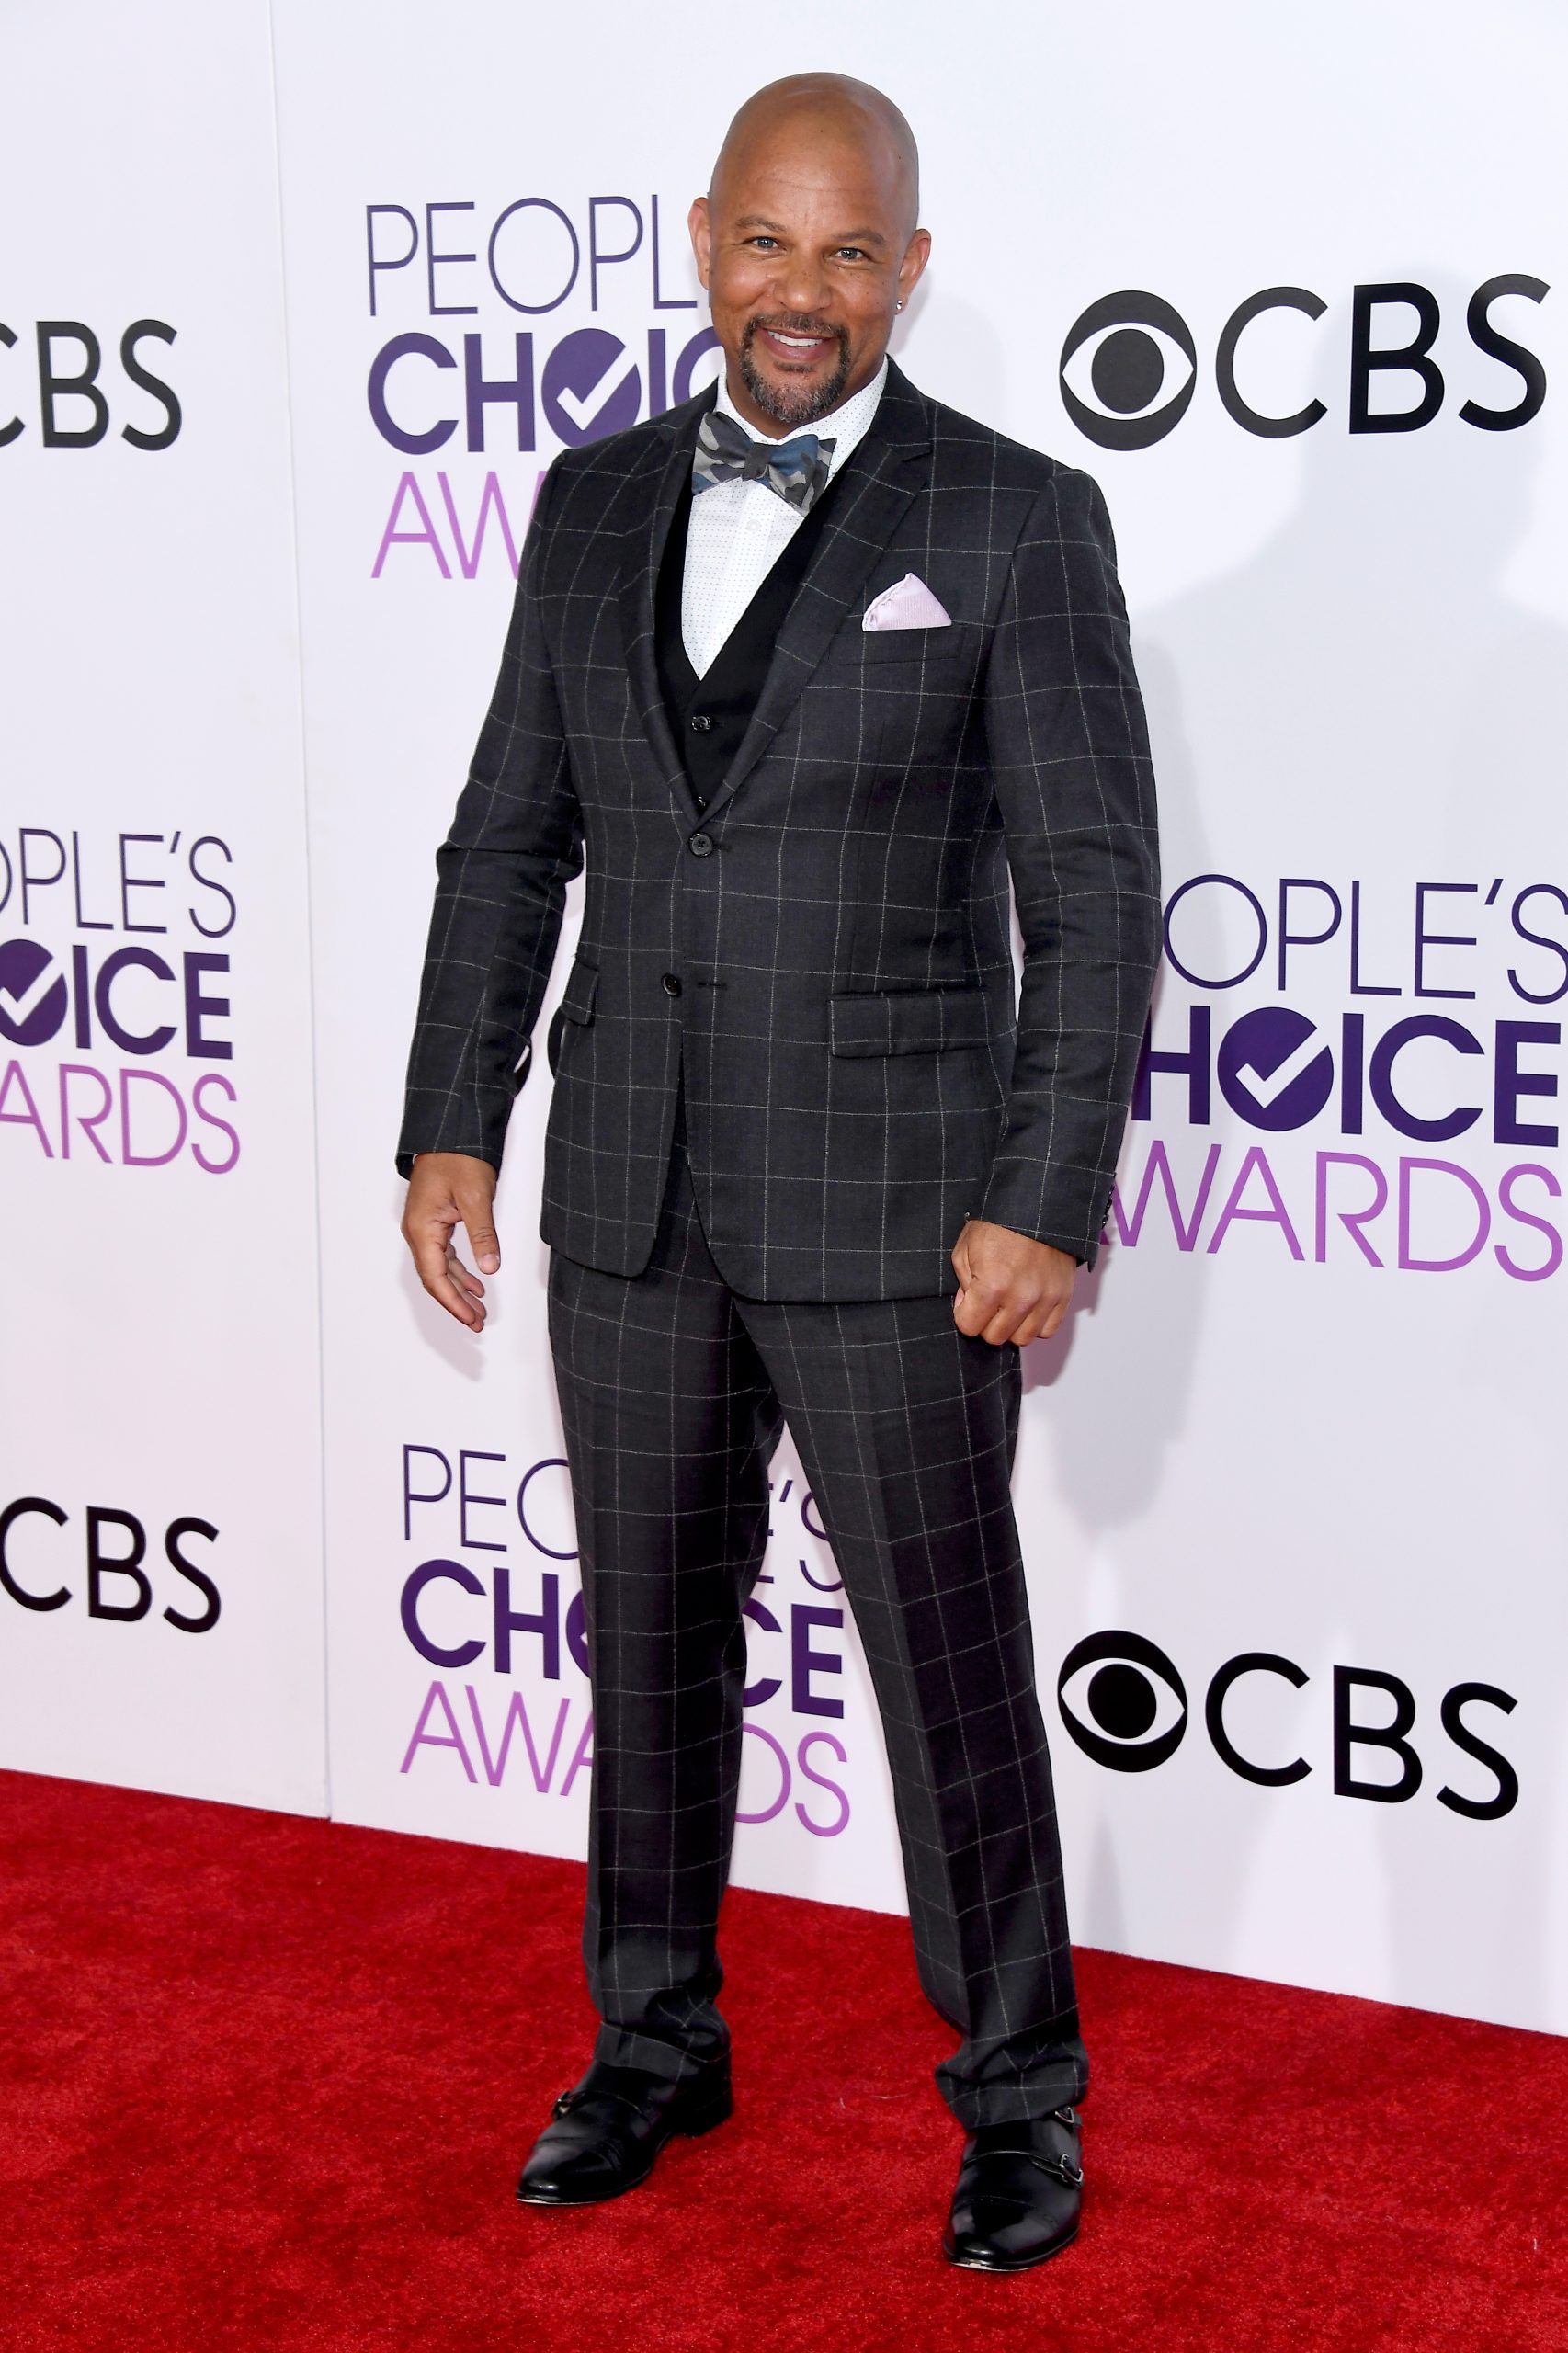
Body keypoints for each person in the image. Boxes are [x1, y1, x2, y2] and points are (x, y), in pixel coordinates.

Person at [398, 71, 1159, 2273]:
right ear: (703, 240)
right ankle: (653, 2040)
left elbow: (1091, 888)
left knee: (946, 1665)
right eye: (765, 241)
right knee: (644, 1647)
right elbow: (507, 834)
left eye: (847, 250)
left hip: (907, 1208)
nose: (800, 290)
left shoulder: (1013, 513)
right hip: (629, 1186)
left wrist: (1046, 1189)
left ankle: (1016, 2089)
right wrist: (454, 1111)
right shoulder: (589, 498)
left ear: (908, 265)